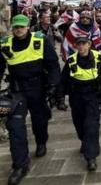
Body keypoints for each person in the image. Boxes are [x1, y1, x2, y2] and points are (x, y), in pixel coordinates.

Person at [0, 14, 61, 185]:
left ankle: (41, 141)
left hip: (38, 88)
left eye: (21, 26)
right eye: (16, 27)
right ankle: (20, 165)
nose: (19, 30)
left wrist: (52, 85)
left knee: (40, 120)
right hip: (17, 91)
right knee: (15, 126)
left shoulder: (40, 40)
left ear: (28, 27)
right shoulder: (5, 44)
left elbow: (53, 65)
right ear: (12, 28)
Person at [57, 36, 101, 171]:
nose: (81, 47)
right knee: (79, 125)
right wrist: (61, 99)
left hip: (93, 97)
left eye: (83, 44)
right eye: (78, 44)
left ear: (89, 44)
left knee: (91, 126)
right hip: (77, 97)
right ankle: (84, 141)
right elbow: (63, 81)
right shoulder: (71, 60)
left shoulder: (100, 57)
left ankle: (91, 157)